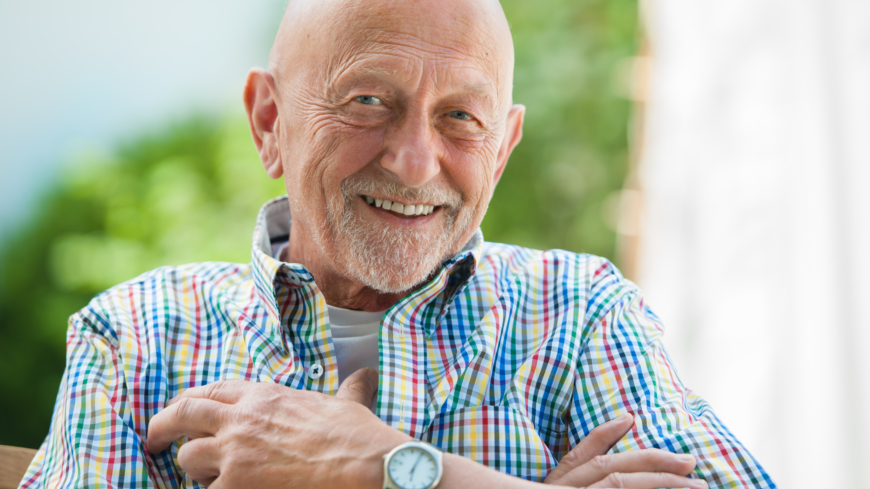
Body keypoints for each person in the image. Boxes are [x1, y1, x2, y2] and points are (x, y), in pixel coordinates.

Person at [20, 0, 775, 488]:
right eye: (368, 101)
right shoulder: (136, 337)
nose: (415, 160)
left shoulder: (581, 314)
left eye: (460, 118)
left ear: (502, 147)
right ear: (268, 121)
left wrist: (381, 467)